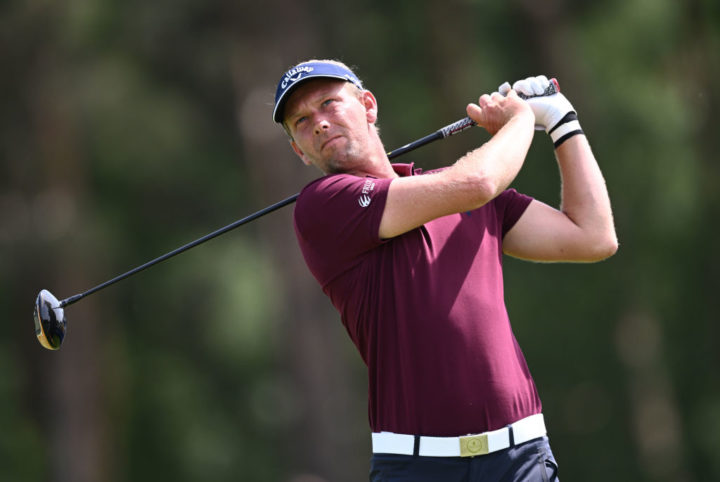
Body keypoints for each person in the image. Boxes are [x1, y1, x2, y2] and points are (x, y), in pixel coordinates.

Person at [272, 59, 617, 481]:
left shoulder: (459, 194)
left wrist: (561, 120)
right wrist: (522, 119)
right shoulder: (323, 205)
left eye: (329, 104)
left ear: (368, 105)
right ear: (298, 150)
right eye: (303, 121)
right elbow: (477, 183)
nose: (320, 124)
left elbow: (593, 235)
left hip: (522, 459)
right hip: (417, 467)